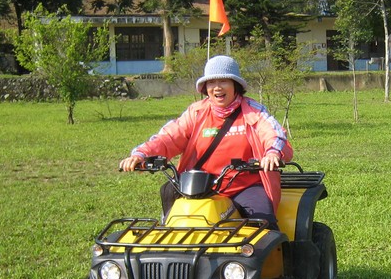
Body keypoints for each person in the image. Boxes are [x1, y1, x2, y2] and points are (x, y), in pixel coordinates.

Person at [119, 55, 293, 227]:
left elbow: (272, 133)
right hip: (199, 187)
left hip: (243, 186)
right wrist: (142, 154)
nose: (217, 87)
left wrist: (272, 152)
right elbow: (169, 137)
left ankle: (281, 255)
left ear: (236, 85)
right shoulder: (196, 113)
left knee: (262, 220)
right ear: (205, 87)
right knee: (171, 213)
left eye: (223, 81)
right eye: (211, 82)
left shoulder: (253, 112)